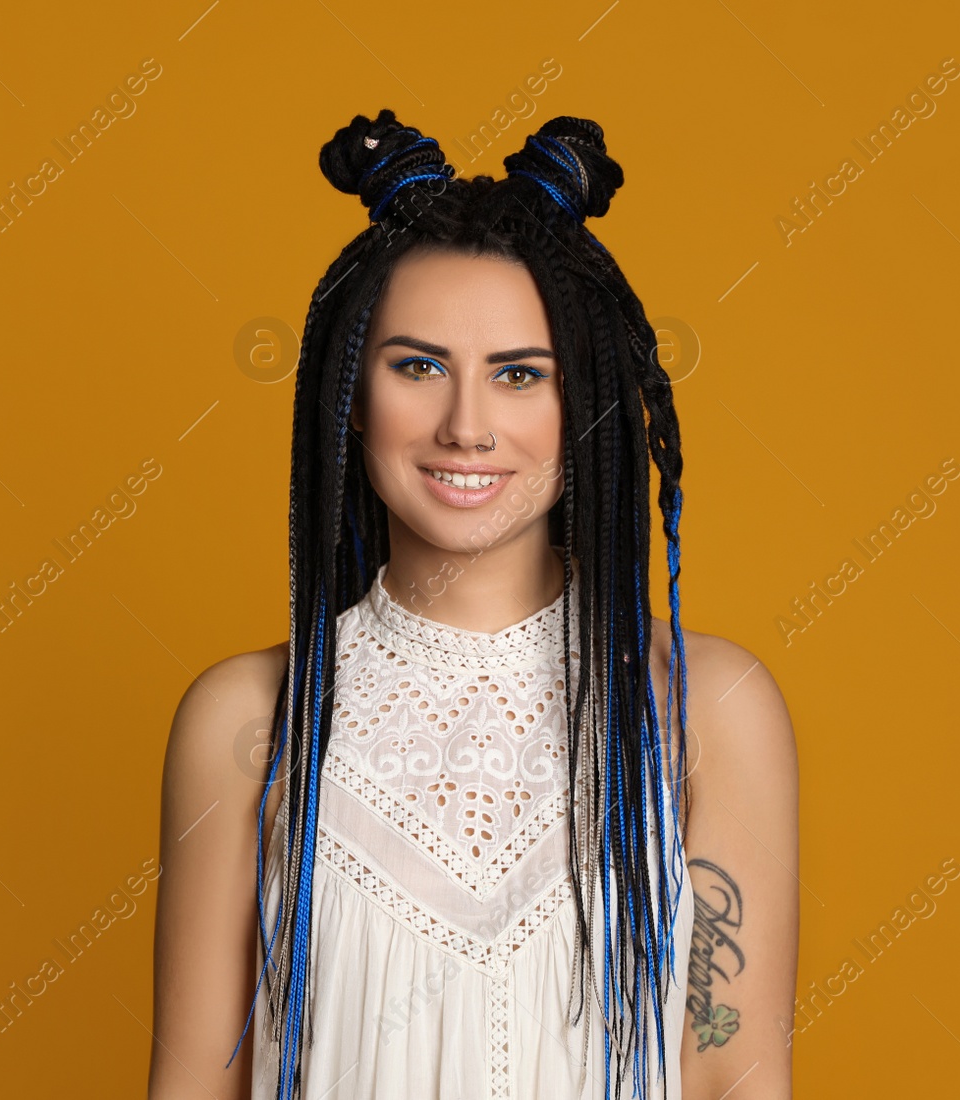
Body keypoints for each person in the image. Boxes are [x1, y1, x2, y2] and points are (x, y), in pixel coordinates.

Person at [148, 109, 799, 1100]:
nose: (465, 425)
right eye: (418, 366)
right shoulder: (248, 718)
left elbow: (733, 1076)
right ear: (352, 394)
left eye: (518, 375)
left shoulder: (704, 705)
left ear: (579, 403)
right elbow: (195, 1084)